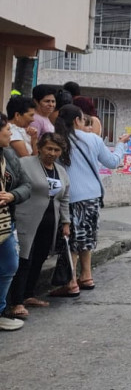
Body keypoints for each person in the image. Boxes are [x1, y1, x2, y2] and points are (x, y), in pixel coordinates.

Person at [50, 105, 127, 296]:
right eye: (85, 120)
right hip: (92, 196)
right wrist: (121, 144)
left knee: (74, 239)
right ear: (77, 120)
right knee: (86, 238)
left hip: (69, 197)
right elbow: (113, 162)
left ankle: (72, 282)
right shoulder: (93, 139)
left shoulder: (58, 140)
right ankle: (85, 276)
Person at [7, 134, 70, 320]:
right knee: (23, 259)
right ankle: (16, 302)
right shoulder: (25, 163)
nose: (52, 153)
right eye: (48, 148)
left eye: (56, 150)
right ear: (40, 147)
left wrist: (66, 222)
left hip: (50, 221)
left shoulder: (61, 171)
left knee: (39, 257)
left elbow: (65, 198)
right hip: (26, 218)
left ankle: (28, 295)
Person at [0, 114, 32, 331]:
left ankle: (0, 310)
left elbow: (26, 185)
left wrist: (13, 196)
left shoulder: (9, 156)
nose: (10, 133)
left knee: (10, 265)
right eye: (7, 130)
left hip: (4, 222)